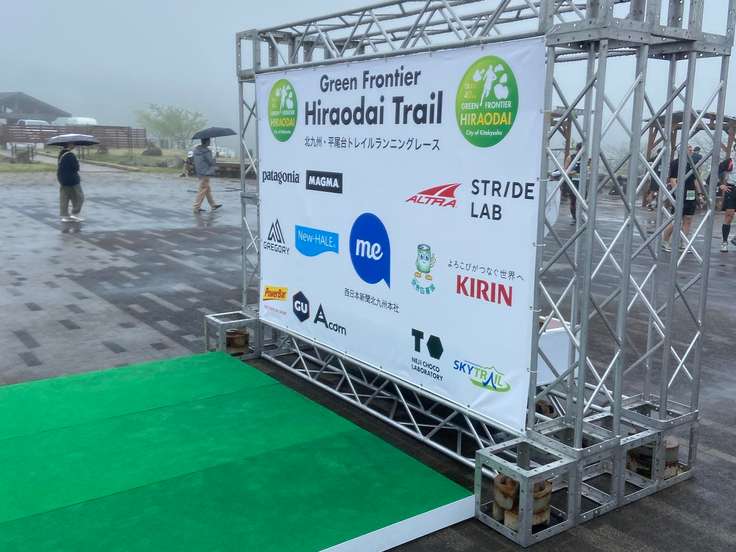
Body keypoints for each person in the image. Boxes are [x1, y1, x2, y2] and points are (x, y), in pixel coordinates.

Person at [662, 147, 704, 252]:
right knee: (676, 219)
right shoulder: (675, 163)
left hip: (691, 193)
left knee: (688, 219)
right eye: (689, 148)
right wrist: (677, 193)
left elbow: (695, 179)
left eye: (691, 149)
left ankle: (683, 242)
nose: (691, 150)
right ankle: (665, 241)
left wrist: (700, 194)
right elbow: (672, 179)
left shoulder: (692, 164)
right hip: (680, 193)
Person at [192, 137, 222, 213]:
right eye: (209, 141)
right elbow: (211, 162)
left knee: (207, 189)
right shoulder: (206, 151)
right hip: (206, 172)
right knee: (203, 190)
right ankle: (196, 207)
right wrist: (215, 157)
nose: (210, 142)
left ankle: (213, 204)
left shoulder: (197, 150)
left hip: (200, 171)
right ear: (206, 142)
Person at [57, 143, 84, 222]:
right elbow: (76, 168)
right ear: (69, 145)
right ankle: (75, 213)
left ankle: (65, 216)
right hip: (72, 180)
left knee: (64, 197)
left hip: (63, 179)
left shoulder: (61, 154)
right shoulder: (70, 155)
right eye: (73, 144)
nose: (74, 145)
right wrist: (77, 161)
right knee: (79, 197)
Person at [718, 151, 735, 252]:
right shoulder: (729, 161)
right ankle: (724, 242)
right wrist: (721, 184)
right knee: (729, 215)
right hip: (731, 188)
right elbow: (718, 170)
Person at [564, 143, 582, 224]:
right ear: (577, 149)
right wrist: (572, 172)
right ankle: (574, 218)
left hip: (582, 182)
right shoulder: (570, 157)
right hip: (573, 182)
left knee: (583, 200)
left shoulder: (587, 158)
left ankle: (582, 216)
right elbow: (565, 170)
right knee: (573, 200)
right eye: (579, 150)